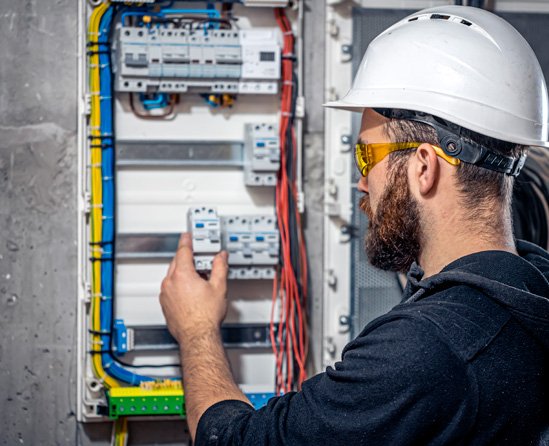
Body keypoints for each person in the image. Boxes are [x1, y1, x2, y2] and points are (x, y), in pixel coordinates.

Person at [159, 5, 549, 445]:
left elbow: (235, 442)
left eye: (367, 157)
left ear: (424, 167)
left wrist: (196, 330)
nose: (360, 182)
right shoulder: (531, 288)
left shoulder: (424, 351)